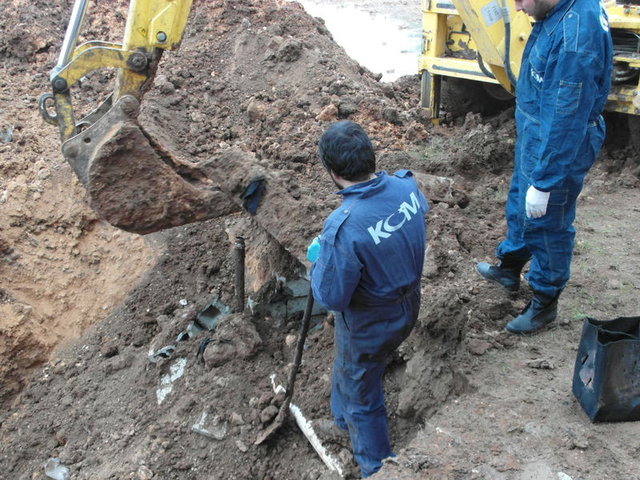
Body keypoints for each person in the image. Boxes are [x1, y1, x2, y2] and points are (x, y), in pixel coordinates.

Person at [476, 0, 613, 334]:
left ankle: (544, 303)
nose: (518, 8)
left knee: (547, 220)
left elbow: (567, 119)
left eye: (522, 0)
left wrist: (547, 181)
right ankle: (509, 267)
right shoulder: (555, 9)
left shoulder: (576, 40)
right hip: (537, 132)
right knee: (520, 200)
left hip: (558, 141)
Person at [307, 120, 428, 477]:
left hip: (371, 323)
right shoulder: (406, 187)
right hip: (408, 304)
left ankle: (376, 466)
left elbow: (332, 297)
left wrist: (319, 262)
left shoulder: (344, 227)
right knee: (348, 367)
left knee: (362, 393)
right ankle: (342, 423)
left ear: (332, 172)